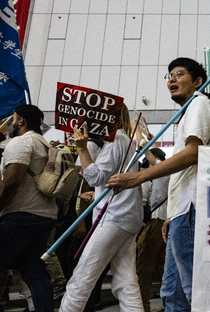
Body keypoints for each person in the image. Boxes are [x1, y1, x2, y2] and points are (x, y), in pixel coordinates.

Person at [107, 58, 210, 311]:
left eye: (179, 74)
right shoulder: (186, 113)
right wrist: (171, 215)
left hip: (193, 208)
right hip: (181, 212)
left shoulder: (199, 104)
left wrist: (138, 176)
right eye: (169, 75)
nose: (171, 79)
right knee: (172, 293)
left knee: (195, 292)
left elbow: (194, 153)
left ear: (198, 81)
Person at [59, 104, 144, 311]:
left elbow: (95, 175)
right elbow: (108, 180)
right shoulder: (122, 141)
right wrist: (96, 193)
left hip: (114, 217)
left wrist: (81, 148)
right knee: (125, 281)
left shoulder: (116, 140)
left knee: (82, 275)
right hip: (125, 217)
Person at [0, 105, 56, 311]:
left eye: (13, 119)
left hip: (20, 214)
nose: (10, 124)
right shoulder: (45, 144)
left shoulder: (21, 142)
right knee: (35, 272)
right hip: (44, 216)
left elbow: (12, 181)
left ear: (21, 121)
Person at [136, 147, 169, 312]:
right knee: (162, 265)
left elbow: (149, 155)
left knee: (144, 266)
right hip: (166, 222)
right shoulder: (168, 173)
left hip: (157, 221)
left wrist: (143, 142)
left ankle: (143, 307)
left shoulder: (162, 169)